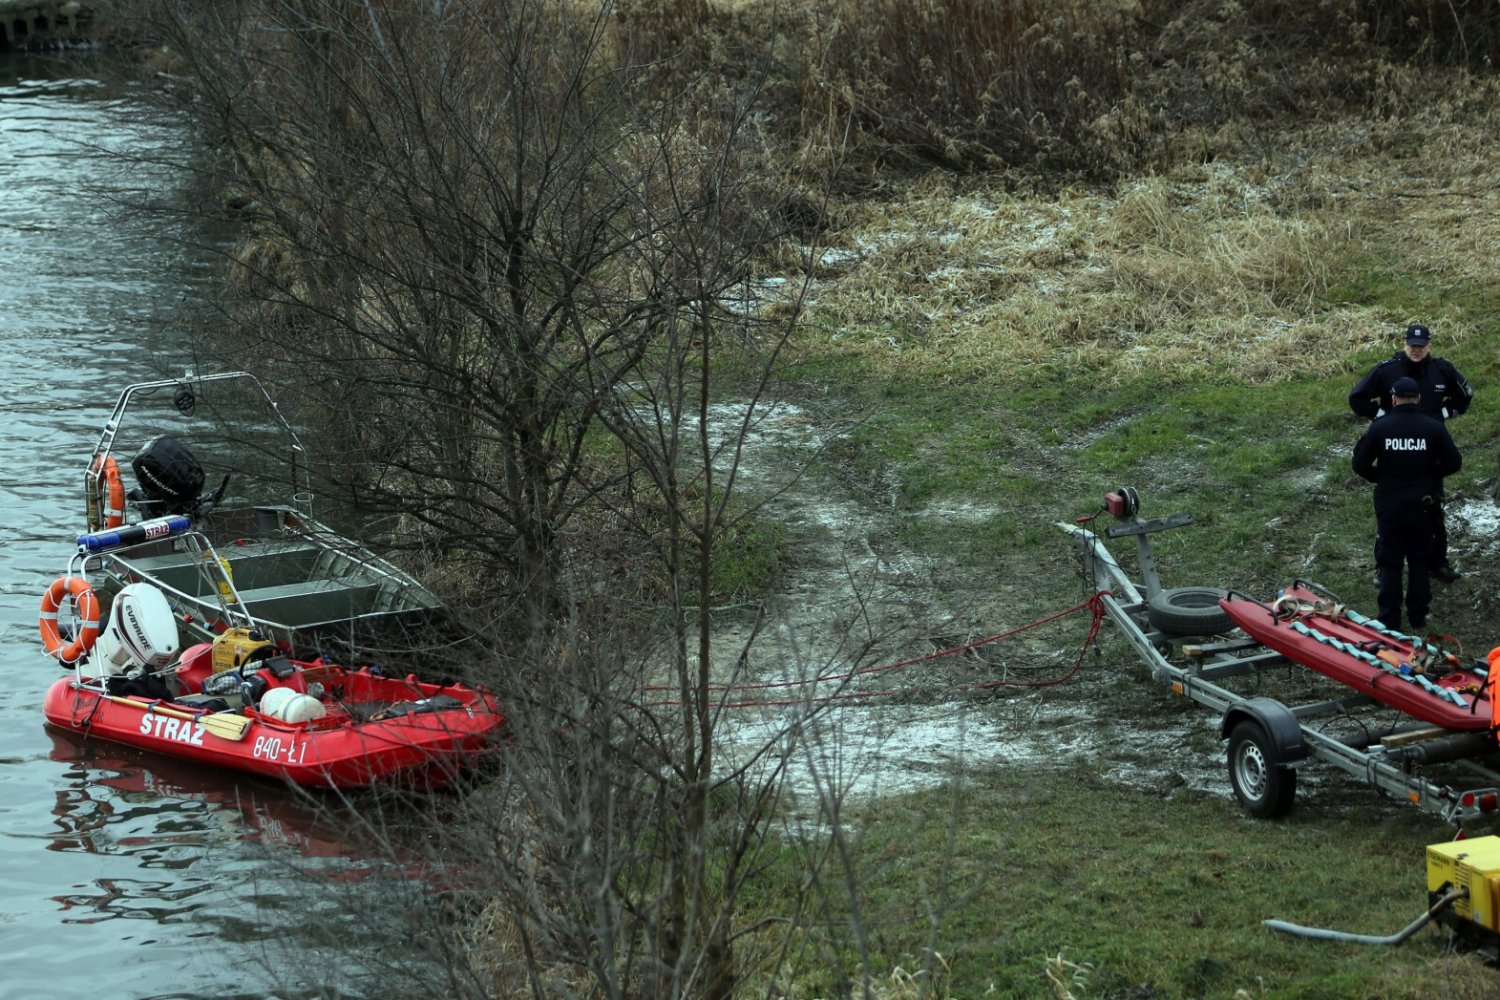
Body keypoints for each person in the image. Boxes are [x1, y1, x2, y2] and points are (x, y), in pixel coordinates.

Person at [1348, 322, 1472, 581]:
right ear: (1404, 344)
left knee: (1434, 509)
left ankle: (1437, 563)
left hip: (1430, 448)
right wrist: (1381, 417)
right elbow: (1357, 397)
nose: (1417, 350)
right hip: (1393, 449)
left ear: (1429, 346)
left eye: (1421, 346)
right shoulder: (1386, 370)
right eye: (1412, 345)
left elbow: (1464, 396)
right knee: (1389, 513)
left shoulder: (1442, 370)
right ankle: (1384, 566)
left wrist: (1442, 415)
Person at [1351, 376, 1462, 633]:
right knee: (1419, 560)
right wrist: (1431, 476)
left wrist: (1380, 477)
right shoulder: (1433, 427)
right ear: (1419, 399)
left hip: (1390, 502)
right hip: (1423, 502)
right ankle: (1418, 616)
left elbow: (1359, 464)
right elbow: (1454, 462)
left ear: (1393, 399)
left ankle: (1389, 618)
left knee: (1390, 560)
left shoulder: (1380, 428)